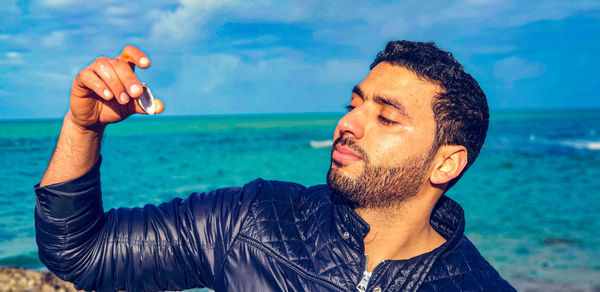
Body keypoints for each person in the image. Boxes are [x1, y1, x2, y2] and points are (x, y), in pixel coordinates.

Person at [35, 41, 515, 291]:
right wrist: (83, 128)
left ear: (446, 163)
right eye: (354, 103)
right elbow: (80, 251)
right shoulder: (254, 220)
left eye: (386, 116)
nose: (347, 123)